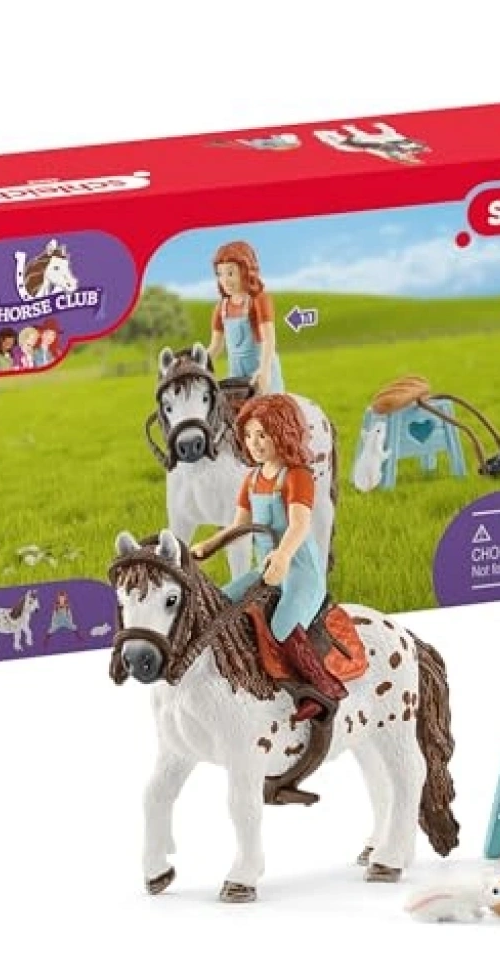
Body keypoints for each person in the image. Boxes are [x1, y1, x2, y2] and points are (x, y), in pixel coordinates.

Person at [192, 394, 344, 722]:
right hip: (265, 569)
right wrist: (208, 546)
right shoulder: (251, 480)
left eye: (262, 434)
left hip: (299, 569)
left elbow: (300, 524)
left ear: (282, 432)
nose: (255, 443)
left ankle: (322, 688)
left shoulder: (297, 475)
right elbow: (238, 527)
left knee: (283, 624)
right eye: (249, 435)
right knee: (220, 603)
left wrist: (284, 556)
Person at [206, 240, 284, 394]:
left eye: (230, 273)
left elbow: (269, 340)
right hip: (236, 376)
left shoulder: (259, 300)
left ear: (246, 271)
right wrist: (196, 366)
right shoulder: (221, 307)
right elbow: (215, 346)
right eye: (220, 274)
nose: (225, 280)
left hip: (261, 373)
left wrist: (264, 370)